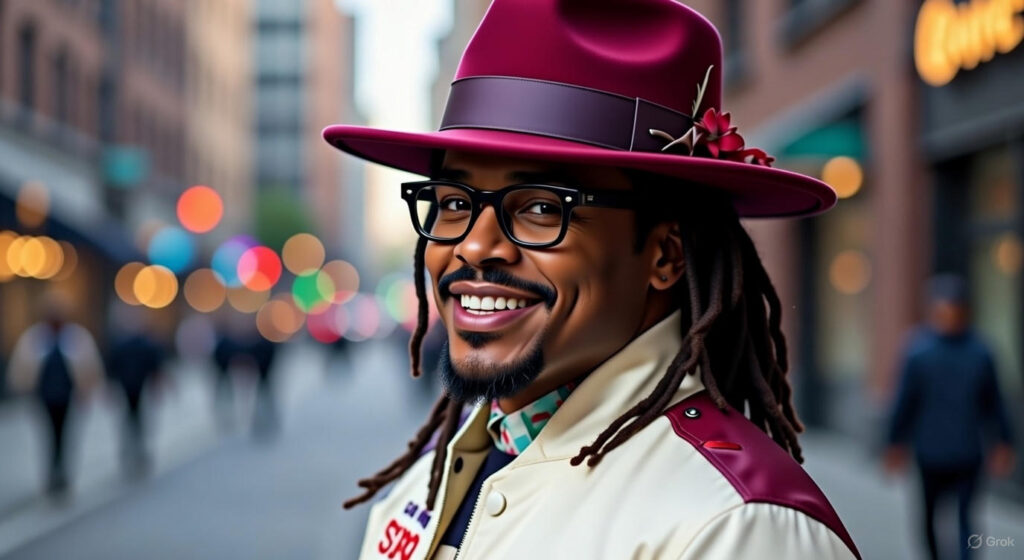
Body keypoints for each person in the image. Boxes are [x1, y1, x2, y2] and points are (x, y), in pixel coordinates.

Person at [323, 1, 860, 558]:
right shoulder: (431, 477)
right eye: (455, 202)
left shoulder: (735, 529)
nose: (475, 245)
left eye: (541, 207)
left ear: (666, 255)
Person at [885, 273, 1015, 560]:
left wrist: (1004, 442)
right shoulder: (918, 352)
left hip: (968, 451)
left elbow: (995, 402)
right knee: (929, 516)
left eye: (954, 309)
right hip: (929, 452)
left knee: (966, 517)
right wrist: (894, 443)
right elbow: (905, 402)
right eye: (942, 309)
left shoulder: (980, 352)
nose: (948, 316)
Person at [7, 292, 103, 497]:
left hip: (67, 396)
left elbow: (90, 366)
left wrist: (88, 389)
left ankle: (62, 473)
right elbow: (22, 366)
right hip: (45, 397)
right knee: (49, 435)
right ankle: (52, 473)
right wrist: (22, 388)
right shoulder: (35, 338)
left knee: (65, 434)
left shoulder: (76, 337)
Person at [106, 305, 166, 477]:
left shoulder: (134, 343)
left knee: (134, 421)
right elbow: (113, 367)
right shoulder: (129, 343)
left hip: (137, 387)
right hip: (130, 387)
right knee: (133, 421)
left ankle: (135, 453)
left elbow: (154, 366)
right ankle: (133, 453)